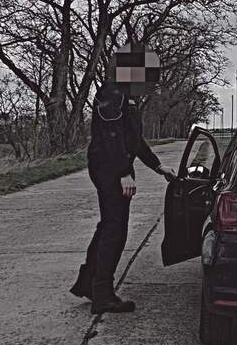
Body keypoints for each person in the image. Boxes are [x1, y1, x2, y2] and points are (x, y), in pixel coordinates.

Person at [70, 79, 176, 314]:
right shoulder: (112, 92)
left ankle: (89, 284)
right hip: (108, 169)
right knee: (114, 230)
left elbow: (133, 139)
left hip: (111, 169)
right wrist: (123, 172)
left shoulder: (126, 95)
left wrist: (158, 166)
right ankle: (103, 296)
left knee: (109, 226)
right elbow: (111, 135)